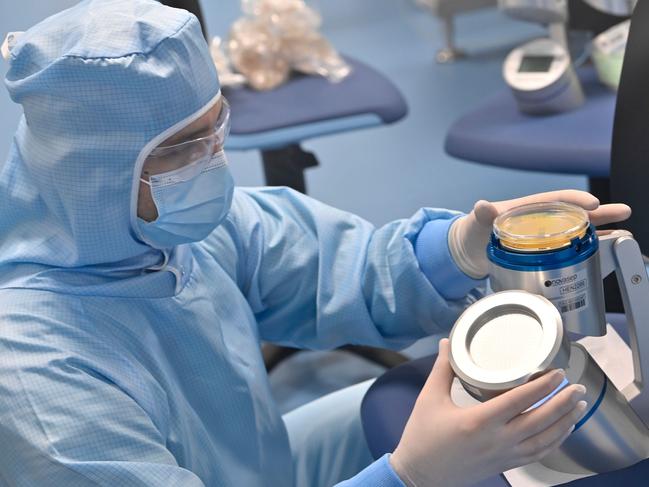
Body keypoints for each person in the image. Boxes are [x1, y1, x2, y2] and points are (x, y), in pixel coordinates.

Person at [0, 1, 631, 486]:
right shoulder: (40, 384)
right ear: (94, 171)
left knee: (462, 409)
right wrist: (407, 476)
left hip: (254, 461)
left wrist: (459, 248)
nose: (214, 162)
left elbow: (334, 269)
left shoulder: (161, 226)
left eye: (217, 124)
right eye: (184, 147)